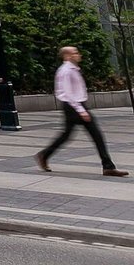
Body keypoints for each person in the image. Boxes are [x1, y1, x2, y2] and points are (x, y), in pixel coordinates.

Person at [36, 46, 128, 177]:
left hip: (76, 105)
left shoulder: (73, 69)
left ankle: (44, 155)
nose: (79, 55)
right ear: (67, 56)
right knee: (94, 135)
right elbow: (67, 93)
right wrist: (81, 110)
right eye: (75, 53)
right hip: (73, 106)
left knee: (69, 135)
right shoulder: (66, 71)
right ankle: (108, 166)